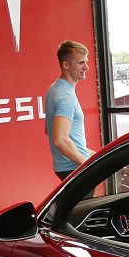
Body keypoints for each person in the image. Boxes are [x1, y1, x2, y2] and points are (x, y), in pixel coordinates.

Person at [44, 40, 95, 180]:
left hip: (66, 167)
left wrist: (84, 151)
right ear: (66, 65)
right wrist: (87, 164)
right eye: (81, 63)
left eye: (86, 62)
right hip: (74, 168)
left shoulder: (54, 88)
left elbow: (49, 129)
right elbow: (60, 140)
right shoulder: (66, 96)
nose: (86, 67)